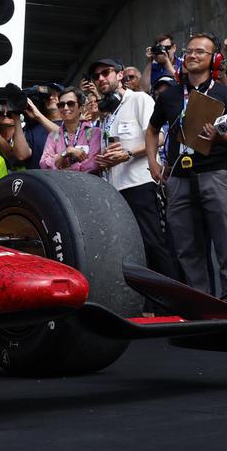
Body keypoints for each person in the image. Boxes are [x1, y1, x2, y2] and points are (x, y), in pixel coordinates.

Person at [145, 34, 227, 304]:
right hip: (178, 178)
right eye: (189, 51)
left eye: (200, 52)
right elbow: (152, 129)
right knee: (187, 248)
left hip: (216, 173)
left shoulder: (225, 94)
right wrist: (153, 162)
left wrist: (222, 138)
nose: (192, 56)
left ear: (214, 59)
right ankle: (201, 305)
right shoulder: (169, 96)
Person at [89, 57, 176, 282]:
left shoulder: (139, 99)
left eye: (105, 72)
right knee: (132, 251)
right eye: (96, 76)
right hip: (115, 190)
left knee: (154, 243)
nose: (100, 78)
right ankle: (147, 307)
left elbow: (160, 136)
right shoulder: (106, 113)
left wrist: (127, 154)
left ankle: (170, 308)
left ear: (120, 75)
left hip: (140, 184)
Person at [40, 86, 100, 173]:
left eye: (70, 104)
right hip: (60, 185)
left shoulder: (94, 132)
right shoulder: (53, 136)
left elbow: (94, 164)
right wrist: (66, 152)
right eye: (61, 105)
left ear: (81, 108)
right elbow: (44, 165)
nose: (65, 108)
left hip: (87, 185)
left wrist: (66, 169)